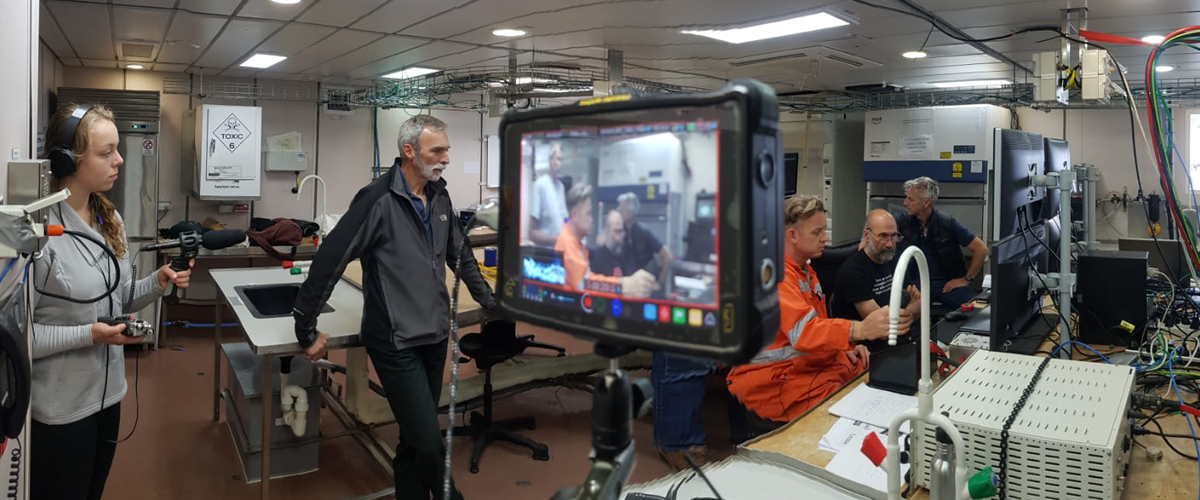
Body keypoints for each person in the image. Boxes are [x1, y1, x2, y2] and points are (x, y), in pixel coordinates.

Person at [293, 115, 495, 500]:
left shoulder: (439, 196)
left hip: (434, 335)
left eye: (447, 149)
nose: (446, 158)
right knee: (430, 443)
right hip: (394, 342)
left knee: (412, 440)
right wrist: (305, 327)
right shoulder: (376, 200)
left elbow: (461, 255)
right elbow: (329, 261)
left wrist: (489, 302)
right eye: (437, 150)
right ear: (408, 151)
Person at [32, 103, 193, 500]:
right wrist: (90, 335)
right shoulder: (39, 232)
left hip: (108, 396)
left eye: (117, 149)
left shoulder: (109, 219)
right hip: (61, 412)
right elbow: (20, 337)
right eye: (106, 153)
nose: (119, 160)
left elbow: (118, 299)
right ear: (66, 161)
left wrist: (158, 281)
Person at [726, 196, 912, 423]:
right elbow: (804, 332)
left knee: (878, 382)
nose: (826, 238)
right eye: (817, 232)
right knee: (849, 413)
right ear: (792, 236)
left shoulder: (805, 271)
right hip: (773, 380)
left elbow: (818, 328)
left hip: (806, 368)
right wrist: (858, 330)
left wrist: (843, 348)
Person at [831, 210, 921, 352]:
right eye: (883, 236)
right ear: (866, 236)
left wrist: (905, 314)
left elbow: (920, 303)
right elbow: (883, 331)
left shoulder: (893, 260)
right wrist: (910, 313)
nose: (890, 244)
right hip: (870, 350)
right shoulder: (853, 271)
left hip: (903, 339)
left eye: (894, 236)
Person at [896, 177, 988, 310]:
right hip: (916, 286)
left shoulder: (947, 223)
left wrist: (966, 279)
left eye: (910, 199)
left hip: (946, 285)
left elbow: (981, 249)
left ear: (926, 203)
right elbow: (879, 226)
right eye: (906, 198)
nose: (905, 203)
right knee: (902, 312)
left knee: (973, 310)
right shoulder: (901, 222)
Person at [555, 183, 656, 297]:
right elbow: (584, 284)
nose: (591, 220)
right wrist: (622, 286)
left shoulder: (577, 244)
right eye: (588, 214)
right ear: (575, 215)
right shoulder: (566, 242)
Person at [617, 192, 673, 282]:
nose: (618, 212)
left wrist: (660, 282)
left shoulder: (643, 232)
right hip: (630, 285)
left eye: (621, 209)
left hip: (645, 286)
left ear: (630, 213)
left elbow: (667, 255)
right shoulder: (621, 232)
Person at [529, 143, 568, 247]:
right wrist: (556, 240)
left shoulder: (560, 187)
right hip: (545, 253)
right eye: (557, 159)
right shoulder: (540, 185)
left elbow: (565, 218)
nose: (559, 163)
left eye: (561, 160)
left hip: (561, 250)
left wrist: (568, 235)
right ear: (551, 160)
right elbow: (531, 233)